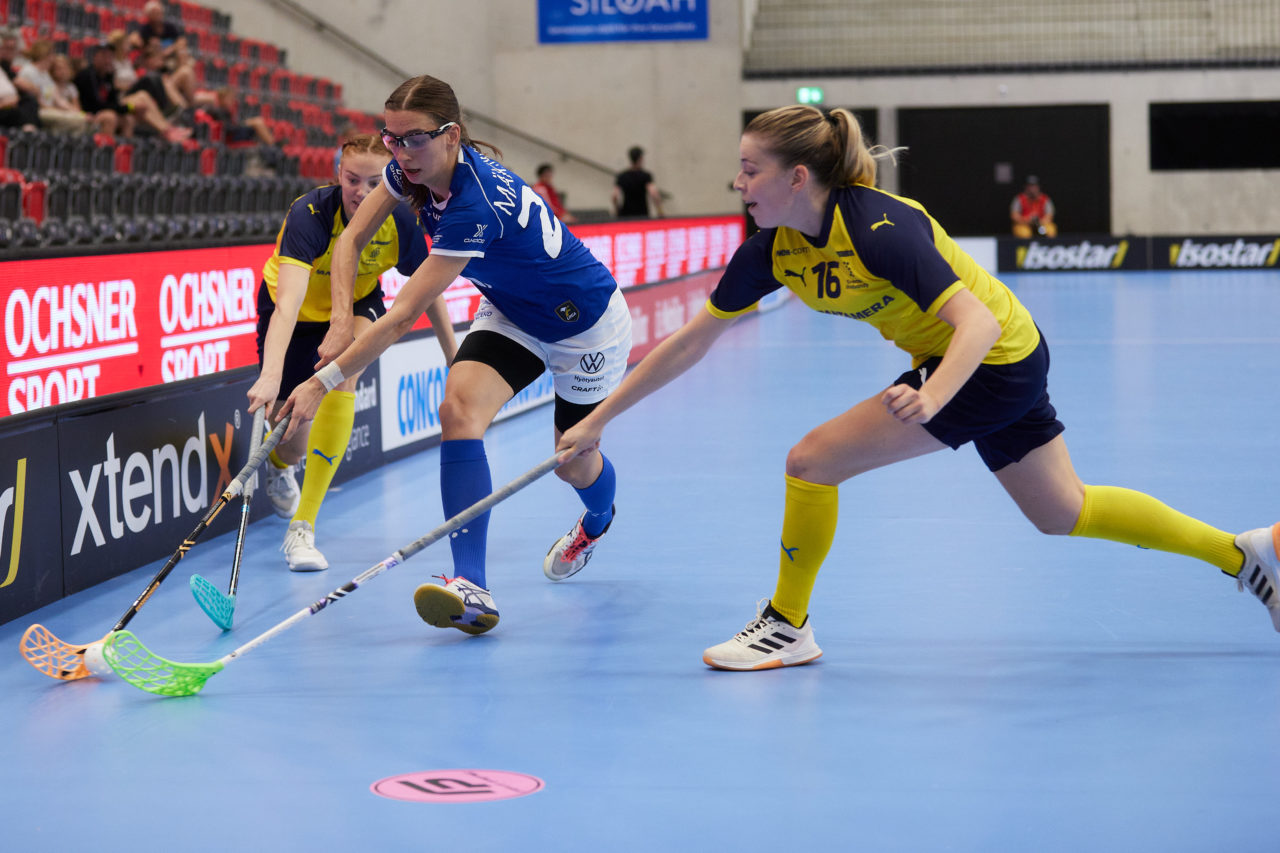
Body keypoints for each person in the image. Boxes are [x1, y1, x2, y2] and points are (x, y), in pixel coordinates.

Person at [557, 104, 1280, 671]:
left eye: (750, 171)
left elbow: (973, 323)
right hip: (1005, 355)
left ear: (798, 178)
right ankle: (1244, 551)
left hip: (988, 357)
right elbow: (692, 342)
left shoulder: (879, 227)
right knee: (1064, 509)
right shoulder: (772, 252)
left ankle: (787, 624)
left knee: (811, 460)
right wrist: (599, 419)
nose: (738, 185)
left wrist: (933, 397)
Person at [279, 74, 632, 635]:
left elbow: (400, 317)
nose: (400, 153)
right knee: (458, 411)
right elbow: (347, 239)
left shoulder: (477, 203)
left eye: (413, 139)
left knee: (574, 462)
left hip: (583, 326)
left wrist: (321, 381)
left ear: (452, 135)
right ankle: (471, 586)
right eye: (391, 138)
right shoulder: (406, 170)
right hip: (513, 311)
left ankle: (598, 517)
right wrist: (342, 319)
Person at [247, 133, 457, 572]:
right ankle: (283, 464)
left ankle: (302, 528)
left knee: (346, 375)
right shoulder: (309, 216)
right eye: (352, 180)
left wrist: (451, 353)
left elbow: (428, 290)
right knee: (291, 431)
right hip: (296, 313)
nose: (362, 192)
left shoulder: (399, 220)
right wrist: (270, 374)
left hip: (359, 303)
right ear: (337, 176)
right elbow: (287, 306)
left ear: (394, 179)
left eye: (374, 181)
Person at [75, 43, 189, 141]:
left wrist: (128, 108)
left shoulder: (108, 75)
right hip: (89, 114)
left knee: (131, 115)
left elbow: (113, 101)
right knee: (111, 116)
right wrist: (129, 107)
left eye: (110, 56)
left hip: (106, 110)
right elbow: (98, 105)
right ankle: (104, 153)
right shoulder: (87, 75)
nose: (108, 59)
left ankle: (166, 129)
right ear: (95, 57)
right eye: (104, 55)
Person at [16, 41, 90, 133]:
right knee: (77, 123)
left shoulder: (46, 75)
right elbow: (33, 101)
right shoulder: (28, 71)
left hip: (50, 110)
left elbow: (58, 100)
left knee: (82, 120)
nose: (53, 57)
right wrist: (59, 111)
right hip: (38, 111)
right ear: (45, 54)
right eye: (52, 54)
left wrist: (79, 113)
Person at [612, 145, 663, 218]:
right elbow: (653, 193)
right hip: (642, 214)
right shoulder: (646, 176)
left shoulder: (622, 176)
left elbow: (615, 196)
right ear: (640, 159)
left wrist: (617, 211)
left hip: (626, 214)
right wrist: (660, 211)